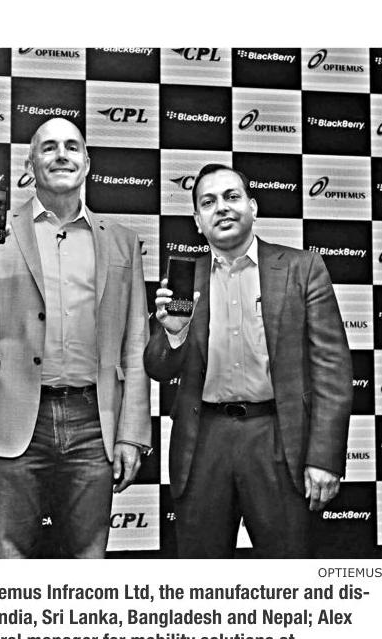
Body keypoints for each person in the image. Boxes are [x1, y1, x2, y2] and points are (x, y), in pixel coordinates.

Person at [0, 118, 151, 558]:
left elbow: (136, 344)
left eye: (72, 147)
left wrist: (132, 433)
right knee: (8, 557)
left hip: (95, 421)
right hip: (13, 417)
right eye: (49, 147)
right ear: (30, 163)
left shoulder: (122, 241)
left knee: (87, 560)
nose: (61, 155)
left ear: (87, 163)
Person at [145, 163, 353, 558]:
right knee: (202, 580)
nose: (221, 207)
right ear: (197, 221)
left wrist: (325, 458)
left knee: (288, 572)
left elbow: (333, 371)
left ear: (253, 207)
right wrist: (174, 333)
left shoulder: (302, 268)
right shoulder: (184, 280)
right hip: (203, 442)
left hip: (277, 439)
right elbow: (157, 367)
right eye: (208, 202)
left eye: (231, 197)